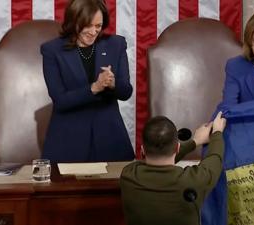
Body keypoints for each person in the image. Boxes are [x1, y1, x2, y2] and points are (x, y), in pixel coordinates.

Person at [40, 0, 134, 162]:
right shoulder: (52, 50)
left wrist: (112, 84)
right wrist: (94, 88)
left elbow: (126, 91)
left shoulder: (115, 44)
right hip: (69, 141)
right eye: (87, 26)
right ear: (73, 22)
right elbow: (60, 100)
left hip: (109, 138)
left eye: (98, 26)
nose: (93, 31)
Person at [120, 112, 226, 225]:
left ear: (142, 150)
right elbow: (214, 159)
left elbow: (150, 161)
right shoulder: (193, 181)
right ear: (177, 147)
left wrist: (194, 142)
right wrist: (217, 133)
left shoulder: (128, 175)